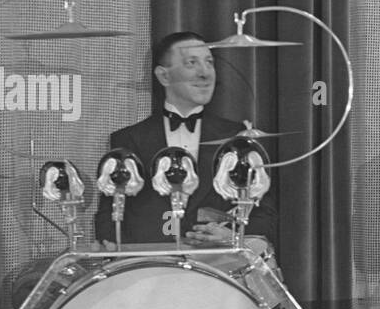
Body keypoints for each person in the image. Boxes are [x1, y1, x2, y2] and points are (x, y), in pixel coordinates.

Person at [94, 31, 277, 247]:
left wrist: (232, 236)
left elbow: (265, 216)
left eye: (209, 63)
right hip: (149, 273)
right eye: (192, 63)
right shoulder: (127, 139)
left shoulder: (238, 137)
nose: (205, 73)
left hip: (216, 271)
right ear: (164, 76)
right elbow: (109, 217)